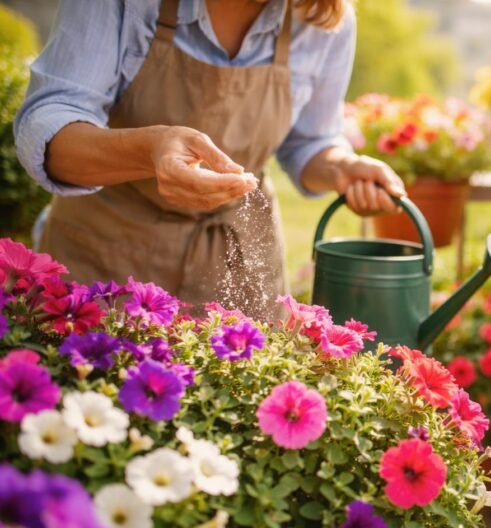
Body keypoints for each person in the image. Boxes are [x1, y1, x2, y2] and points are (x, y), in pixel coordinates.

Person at [14, 0, 405, 318]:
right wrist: (150, 152)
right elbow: (50, 129)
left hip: (241, 265)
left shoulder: (322, 17)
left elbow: (311, 141)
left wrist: (342, 168)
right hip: (107, 259)